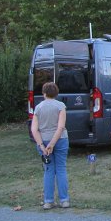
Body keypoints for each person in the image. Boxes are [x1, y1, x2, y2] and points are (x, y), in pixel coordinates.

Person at [30, 82, 70, 210]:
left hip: (44, 140)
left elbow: (34, 129)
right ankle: (64, 200)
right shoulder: (60, 106)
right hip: (60, 140)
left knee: (48, 170)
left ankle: (48, 201)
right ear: (56, 93)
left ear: (44, 93)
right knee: (61, 169)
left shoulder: (38, 108)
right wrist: (53, 144)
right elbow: (61, 127)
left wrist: (42, 145)